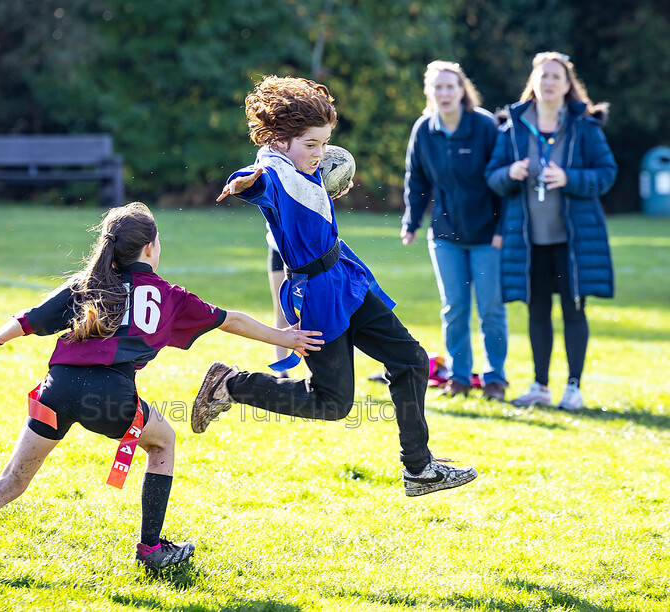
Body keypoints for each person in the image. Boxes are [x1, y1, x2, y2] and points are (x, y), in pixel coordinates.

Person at [0, 202, 323, 573]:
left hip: (56, 388)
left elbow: (31, 319)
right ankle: (151, 548)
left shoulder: (88, 282)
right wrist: (285, 338)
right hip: (110, 397)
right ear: (149, 248)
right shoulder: (170, 296)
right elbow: (231, 319)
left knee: (13, 479)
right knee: (163, 441)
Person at [193, 75, 477, 497]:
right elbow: (257, 176)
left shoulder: (301, 164)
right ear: (278, 138)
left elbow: (306, 181)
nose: (319, 153)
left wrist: (318, 168)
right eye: (311, 144)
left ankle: (418, 469)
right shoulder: (271, 170)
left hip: (346, 278)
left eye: (324, 143)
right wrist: (243, 182)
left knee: (412, 360)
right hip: (317, 297)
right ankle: (230, 384)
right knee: (332, 403)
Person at [485, 52, 617, 411]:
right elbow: (492, 177)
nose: (548, 82)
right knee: (537, 312)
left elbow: (607, 173)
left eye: (556, 77)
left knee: (574, 311)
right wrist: (510, 172)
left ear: (567, 84)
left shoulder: (584, 126)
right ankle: (540, 386)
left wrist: (570, 178)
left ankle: (573, 388)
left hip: (573, 242)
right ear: (534, 81)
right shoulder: (513, 126)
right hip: (529, 243)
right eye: (543, 76)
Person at [401, 61, 508, 401]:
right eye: (437, 87)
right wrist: (411, 222)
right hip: (445, 236)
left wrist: (503, 227)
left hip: (487, 236)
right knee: (455, 308)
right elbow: (416, 180)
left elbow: (504, 182)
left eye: (450, 86)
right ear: (428, 92)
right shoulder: (424, 129)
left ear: (463, 90)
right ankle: (459, 378)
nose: (444, 93)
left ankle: (495, 379)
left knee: (491, 309)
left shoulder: (485, 125)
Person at [265, 224, 291, 377]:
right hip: (278, 247)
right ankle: (282, 375)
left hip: (306, 248)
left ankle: (314, 376)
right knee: (282, 313)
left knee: (310, 315)